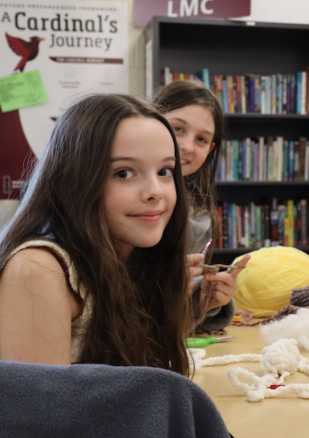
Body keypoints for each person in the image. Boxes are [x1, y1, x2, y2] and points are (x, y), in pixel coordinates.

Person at [0, 94, 191, 373]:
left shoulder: (140, 259)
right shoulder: (38, 270)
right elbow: (39, 414)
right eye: (124, 173)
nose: (156, 192)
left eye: (165, 171)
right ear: (68, 184)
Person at [153, 80, 249, 332]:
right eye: (177, 129)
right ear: (150, 121)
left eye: (202, 139)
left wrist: (204, 300)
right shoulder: (113, 196)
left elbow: (169, 323)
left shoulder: (199, 217)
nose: (186, 146)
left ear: (211, 149)